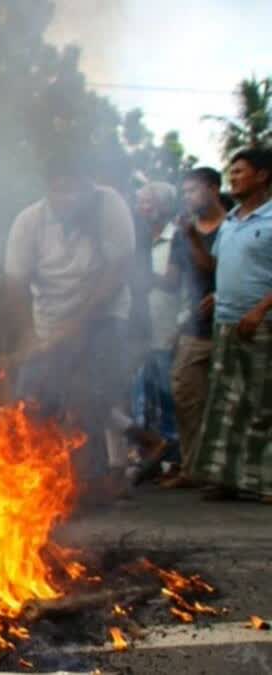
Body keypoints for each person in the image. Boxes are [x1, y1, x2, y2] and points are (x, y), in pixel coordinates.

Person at [5, 154, 136, 500]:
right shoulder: (29, 222)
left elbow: (117, 270)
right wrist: (28, 334)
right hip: (48, 321)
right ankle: (32, 481)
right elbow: (16, 284)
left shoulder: (109, 207)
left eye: (74, 186)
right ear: (48, 188)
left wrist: (80, 323)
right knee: (30, 400)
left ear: (87, 184)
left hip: (104, 317)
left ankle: (88, 485)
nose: (68, 196)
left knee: (88, 398)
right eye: (59, 187)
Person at [186, 148, 272, 502]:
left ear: (263, 175)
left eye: (240, 171)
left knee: (262, 402)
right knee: (225, 401)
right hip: (225, 322)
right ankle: (225, 478)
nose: (233, 177)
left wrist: (259, 311)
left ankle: (266, 482)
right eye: (232, 172)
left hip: (262, 323)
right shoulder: (232, 221)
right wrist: (192, 239)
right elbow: (214, 267)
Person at [162, 168, 228, 489]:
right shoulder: (182, 233)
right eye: (184, 192)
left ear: (214, 188)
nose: (187, 197)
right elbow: (174, 283)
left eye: (193, 190)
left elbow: (216, 269)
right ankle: (193, 467)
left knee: (230, 402)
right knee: (185, 394)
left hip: (231, 324)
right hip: (194, 326)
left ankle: (229, 475)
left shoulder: (234, 227)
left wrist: (191, 238)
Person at [126, 181, 182, 483]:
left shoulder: (178, 237)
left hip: (167, 325)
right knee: (140, 397)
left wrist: (145, 277)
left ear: (164, 205)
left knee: (167, 396)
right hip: (139, 327)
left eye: (148, 203)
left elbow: (175, 283)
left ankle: (174, 462)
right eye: (140, 203)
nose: (142, 208)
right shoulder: (137, 238)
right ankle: (147, 459)